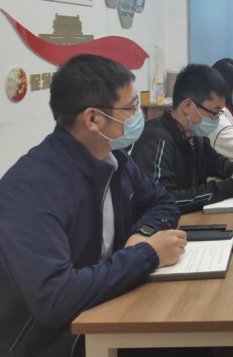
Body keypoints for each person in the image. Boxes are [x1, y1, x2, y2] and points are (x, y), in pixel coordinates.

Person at [0, 55, 184, 357]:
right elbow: (54, 299)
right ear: (93, 119)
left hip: (104, 307)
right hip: (48, 341)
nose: (138, 116)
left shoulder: (114, 159)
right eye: (131, 108)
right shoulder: (29, 188)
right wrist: (147, 254)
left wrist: (143, 233)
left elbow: (162, 201)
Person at [131, 64, 233, 215]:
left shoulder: (195, 135)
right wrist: (227, 188)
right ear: (188, 105)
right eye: (214, 112)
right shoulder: (157, 140)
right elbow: (162, 201)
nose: (216, 119)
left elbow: (217, 162)